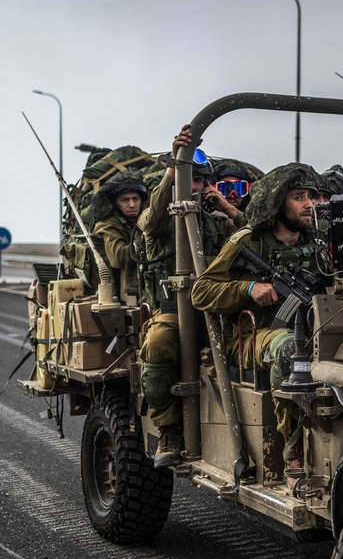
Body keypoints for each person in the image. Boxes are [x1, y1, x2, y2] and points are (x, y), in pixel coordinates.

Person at [191, 162, 330, 490]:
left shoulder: (317, 244)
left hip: (309, 330)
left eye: (311, 196)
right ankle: (293, 454)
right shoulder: (249, 240)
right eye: (299, 197)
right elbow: (202, 291)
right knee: (287, 347)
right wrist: (249, 289)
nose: (310, 203)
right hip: (249, 337)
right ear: (278, 203)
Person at [137, 125, 237, 469]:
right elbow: (152, 220)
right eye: (185, 176)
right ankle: (168, 429)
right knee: (158, 343)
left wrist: (224, 204)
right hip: (172, 309)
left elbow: (248, 240)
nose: (190, 184)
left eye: (197, 179)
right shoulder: (158, 218)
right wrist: (174, 168)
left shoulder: (215, 220)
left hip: (214, 308)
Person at [92, 169, 148, 298]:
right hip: (119, 294)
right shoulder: (107, 224)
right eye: (125, 200)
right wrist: (146, 244)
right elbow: (119, 258)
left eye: (136, 199)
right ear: (115, 203)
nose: (132, 205)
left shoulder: (144, 217)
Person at [203, 159, 256, 226]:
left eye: (238, 189)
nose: (232, 196)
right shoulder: (205, 217)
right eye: (226, 190)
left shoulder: (256, 214)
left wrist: (229, 210)